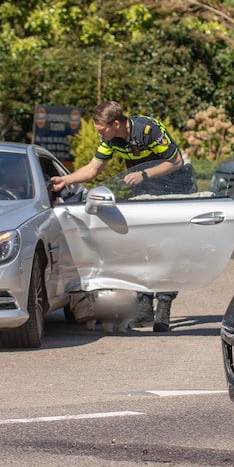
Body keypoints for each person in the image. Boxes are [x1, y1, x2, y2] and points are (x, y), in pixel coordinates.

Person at [49, 100, 193, 332]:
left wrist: (143, 173)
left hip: (173, 189)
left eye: (101, 128)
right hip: (144, 192)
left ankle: (164, 307)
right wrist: (65, 180)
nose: (100, 133)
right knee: (143, 248)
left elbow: (176, 162)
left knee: (167, 249)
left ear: (116, 123)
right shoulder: (109, 139)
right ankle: (144, 307)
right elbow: (93, 169)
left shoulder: (149, 130)